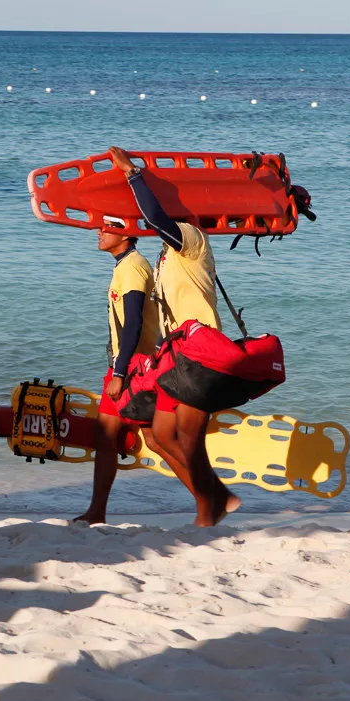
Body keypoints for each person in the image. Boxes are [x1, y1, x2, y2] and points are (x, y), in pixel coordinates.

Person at [108, 146, 241, 527]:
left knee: (186, 434)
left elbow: (155, 219)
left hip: (202, 351)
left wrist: (132, 174)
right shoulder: (169, 253)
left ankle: (207, 513)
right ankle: (219, 497)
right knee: (161, 436)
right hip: (177, 355)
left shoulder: (191, 238)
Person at [74, 215, 159, 524]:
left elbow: (134, 322)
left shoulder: (134, 266)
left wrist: (120, 373)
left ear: (125, 235)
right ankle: (97, 512)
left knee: (124, 437)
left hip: (133, 367)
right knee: (146, 439)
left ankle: (210, 496)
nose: (99, 232)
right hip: (131, 364)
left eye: (107, 227)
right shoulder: (126, 264)